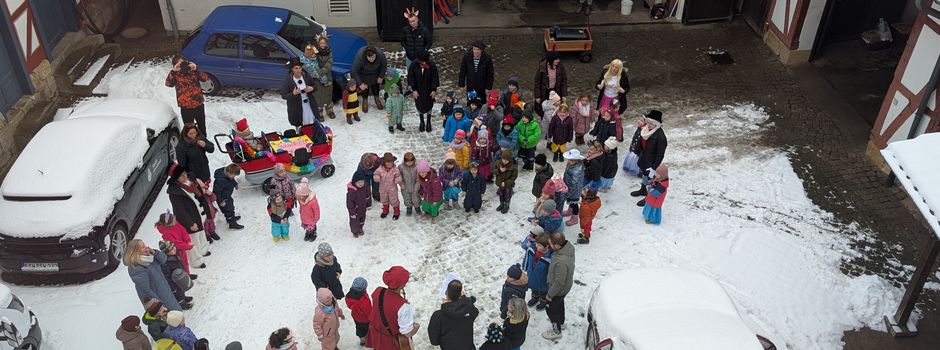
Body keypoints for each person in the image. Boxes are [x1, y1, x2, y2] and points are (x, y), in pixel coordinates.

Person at [368, 266, 420, 349]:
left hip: (375, 332)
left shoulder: (378, 291)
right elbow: (406, 333)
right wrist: (416, 328)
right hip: (389, 341)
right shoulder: (403, 307)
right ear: (402, 285)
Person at [125, 239, 184, 311]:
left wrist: (154, 252)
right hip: (160, 300)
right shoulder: (137, 268)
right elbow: (145, 290)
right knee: (175, 318)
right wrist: (159, 305)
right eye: (143, 247)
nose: (146, 247)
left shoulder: (149, 258)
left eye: (145, 245)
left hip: (165, 293)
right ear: (135, 251)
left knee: (177, 316)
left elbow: (164, 259)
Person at [427, 280, 479, 350]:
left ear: (446, 292)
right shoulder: (469, 310)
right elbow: (475, 312)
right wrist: (464, 299)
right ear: (460, 294)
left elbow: (434, 341)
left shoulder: (438, 316)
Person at [542, 232, 575, 341]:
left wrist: (550, 295)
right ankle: (561, 323)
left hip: (558, 289)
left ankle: (556, 331)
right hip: (566, 287)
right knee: (559, 304)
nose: (549, 245)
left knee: (551, 308)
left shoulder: (561, 261)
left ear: (557, 246)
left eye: (551, 243)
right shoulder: (568, 248)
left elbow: (559, 282)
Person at [166, 55, 209, 136]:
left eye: (183, 63)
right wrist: (173, 71)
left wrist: (196, 69)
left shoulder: (193, 71)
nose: (182, 65)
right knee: (189, 130)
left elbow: (205, 78)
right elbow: (168, 84)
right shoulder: (175, 74)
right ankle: (191, 145)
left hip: (198, 105)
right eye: (179, 64)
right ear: (175, 65)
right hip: (186, 108)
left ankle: (203, 144)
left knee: (202, 127)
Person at [632, 110, 667, 206]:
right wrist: (637, 151)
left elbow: (660, 154)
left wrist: (654, 167)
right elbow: (640, 140)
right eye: (648, 122)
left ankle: (648, 196)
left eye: (651, 123)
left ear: (657, 124)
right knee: (644, 175)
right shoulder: (646, 130)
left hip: (651, 162)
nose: (649, 124)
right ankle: (643, 190)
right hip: (644, 158)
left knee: (650, 180)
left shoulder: (661, 137)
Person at [281, 58, 320, 129]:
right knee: (301, 124)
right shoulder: (288, 81)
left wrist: (312, 88)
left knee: (313, 122)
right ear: (292, 69)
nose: (298, 70)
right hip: (297, 107)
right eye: (296, 68)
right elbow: (284, 95)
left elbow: (315, 86)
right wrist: (293, 94)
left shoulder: (306, 76)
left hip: (309, 104)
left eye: (300, 68)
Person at [409, 50, 440, 133]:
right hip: (418, 89)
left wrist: (434, 90)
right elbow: (411, 77)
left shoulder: (432, 65)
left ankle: (428, 121)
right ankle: (422, 121)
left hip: (428, 89)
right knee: (419, 104)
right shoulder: (413, 65)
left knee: (429, 103)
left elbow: (435, 78)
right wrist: (414, 89)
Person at [351, 45, 388, 112]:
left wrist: (381, 76)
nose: (372, 59)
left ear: (375, 54)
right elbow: (354, 71)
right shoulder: (360, 57)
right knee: (364, 87)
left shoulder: (380, 55)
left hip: (375, 73)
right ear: (366, 55)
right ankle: (365, 100)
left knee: (375, 84)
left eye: (373, 57)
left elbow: (384, 65)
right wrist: (360, 84)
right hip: (363, 74)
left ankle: (377, 98)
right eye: (369, 57)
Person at [521, 230, 552, 311]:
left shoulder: (550, 257)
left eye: (540, 246)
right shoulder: (532, 249)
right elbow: (526, 257)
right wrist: (524, 267)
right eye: (537, 244)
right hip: (531, 275)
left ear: (547, 246)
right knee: (533, 288)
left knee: (543, 292)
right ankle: (535, 298)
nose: (537, 247)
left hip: (543, 279)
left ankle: (543, 301)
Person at [158, 240, 194, 307]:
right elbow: (167, 277)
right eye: (170, 249)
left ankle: (183, 297)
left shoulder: (175, 255)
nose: (174, 249)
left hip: (179, 277)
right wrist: (172, 287)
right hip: (173, 282)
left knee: (181, 289)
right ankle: (181, 303)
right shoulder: (165, 263)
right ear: (166, 252)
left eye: (173, 247)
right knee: (178, 293)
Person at [534, 51, 568, 118]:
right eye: (556, 59)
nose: (558, 61)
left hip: (556, 92)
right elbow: (537, 82)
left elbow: (564, 81)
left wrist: (564, 94)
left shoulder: (560, 67)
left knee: (556, 109)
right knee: (544, 110)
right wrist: (537, 96)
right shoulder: (542, 68)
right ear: (551, 60)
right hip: (544, 92)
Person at [300, 43, 328, 122]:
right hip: (313, 82)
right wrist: (324, 79)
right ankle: (319, 115)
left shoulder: (311, 59)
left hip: (314, 81)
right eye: (313, 53)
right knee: (317, 99)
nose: (315, 55)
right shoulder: (308, 64)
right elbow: (316, 74)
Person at [213, 163, 244, 230]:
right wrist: (221, 201)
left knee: (231, 207)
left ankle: (231, 218)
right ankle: (232, 224)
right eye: (233, 175)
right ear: (228, 172)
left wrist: (235, 184)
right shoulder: (220, 180)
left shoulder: (228, 174)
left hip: (227, 196)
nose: (233, 177)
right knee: (228, 210)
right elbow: (216, 192)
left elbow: (232, 180)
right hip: (223, 199)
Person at [373, 152, 403, 220]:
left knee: (394, 200)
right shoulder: (380, 169)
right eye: (388, 162)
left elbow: (398, 176)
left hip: (392, 189)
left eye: (391, 162)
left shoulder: (395, 169)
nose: (390, 164)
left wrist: (398, 179)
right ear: (384, 162)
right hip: (383, 188)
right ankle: (385, 210)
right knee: (384, 199)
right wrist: (377, 177)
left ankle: (396, 212)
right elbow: (376, 174)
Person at [313, 34, 336, 119]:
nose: (322, 44)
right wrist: (316, 72)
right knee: (318, 96)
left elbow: (330, 62)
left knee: (328, 94)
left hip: (327, 75)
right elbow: (312, 62)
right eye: (321, 43)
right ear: (318, 43)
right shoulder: (314, 51)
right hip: (317, 77)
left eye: (324, 43)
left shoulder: (329, 51)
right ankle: (319, 112)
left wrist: (322, 71)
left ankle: (329, 110)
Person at [345, 277, 373, 346]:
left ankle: (362, 340)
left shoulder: (348, 296)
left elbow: (349, 306)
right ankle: (370, 341)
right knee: (369, 330)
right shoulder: (364, 301)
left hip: (356, 317)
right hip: (366, 320)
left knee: (359, 329)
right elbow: (369, 312)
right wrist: (372, 319)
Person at [562, 149, 585, 226]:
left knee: (574, 204)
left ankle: (575, 218)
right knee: (571, 202)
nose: (568, 161)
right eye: (569, 159)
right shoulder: (571, 165)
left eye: (571, 160)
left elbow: (574, 185)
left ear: (577, 161)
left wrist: (568, 193)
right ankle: (569, 211)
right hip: (568, 187)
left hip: (574, 191)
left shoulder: (577, 171)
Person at [492, 149, 518, 214]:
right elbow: (492, 170)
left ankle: (506, 205)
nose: (504, 161)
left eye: (506, 160)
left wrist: (506, 183)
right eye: (503, 159)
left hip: (508, 185)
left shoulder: (513, 167)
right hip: (500, 184)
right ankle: (501, 204)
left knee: (507, 196)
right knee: (501, 195)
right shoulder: (498, 163)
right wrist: (499, 171)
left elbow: (513, 177)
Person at [295, 177, 321, 242]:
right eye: (298, 196)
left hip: (312, 219)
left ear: (305, 194)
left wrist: (316, 218)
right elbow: (301, 207)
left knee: (312, 227)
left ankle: (313, 234)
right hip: (304, 217)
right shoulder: (301, 200)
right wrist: (300, 212)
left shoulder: (313, 201)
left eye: (300, 196)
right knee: (307, 227)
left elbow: (316, 210)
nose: (299, 197)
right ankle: (307, 233)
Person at [346, 171, 371, 237]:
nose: (360, 184)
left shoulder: (365, 187)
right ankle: (355, 231)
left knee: (362, 219)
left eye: (362, 182)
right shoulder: (352, 192)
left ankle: (360, 228)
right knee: (354, 222)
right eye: (358, 182)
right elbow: (349, 204)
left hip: (363, 208)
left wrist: (368, 204)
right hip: (355, 211)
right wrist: (352, 213)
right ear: (354, 183)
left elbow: (368, 196)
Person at [398, 152, 422, 217]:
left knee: (416, 198)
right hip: (405, 187)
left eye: (411, 162)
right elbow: (399, 176)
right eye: (407, 162)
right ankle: (409, 208)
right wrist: (401, 184)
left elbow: (419, 178)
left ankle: (417, 208)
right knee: (407, 198)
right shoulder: (401, 167)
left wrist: (417, 186)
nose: (409, 163)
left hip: (414, 186)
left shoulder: (417, 166)